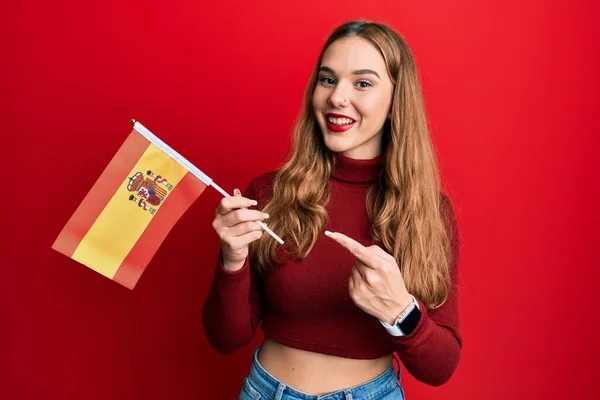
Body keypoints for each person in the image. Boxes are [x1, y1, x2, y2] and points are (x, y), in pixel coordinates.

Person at [202, 19, 461, 399]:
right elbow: (225, 338)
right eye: (327, 79)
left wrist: (400, 311)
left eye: (362, 83)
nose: (337, 97)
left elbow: (441, 368)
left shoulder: (428, 212)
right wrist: (232, 260)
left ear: (395, 100)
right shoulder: (270, 193)